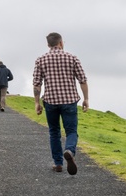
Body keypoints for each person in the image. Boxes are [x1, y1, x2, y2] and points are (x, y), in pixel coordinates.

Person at [33, 32, 89, 174]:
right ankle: (69, 150)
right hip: (69, 100)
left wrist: (36, 103)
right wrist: (86, 99)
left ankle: (58, 163)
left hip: (50, 101)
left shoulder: (41, 60)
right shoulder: (72, 58)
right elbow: (82, 80)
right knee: (71, 131)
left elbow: (36, 84)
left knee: (54, 132)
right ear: (61, 42)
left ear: (48, 44)